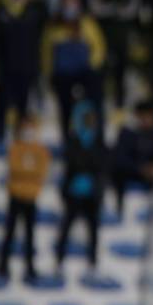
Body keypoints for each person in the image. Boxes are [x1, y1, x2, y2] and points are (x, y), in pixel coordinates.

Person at [41, 0, 106, 142]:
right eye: (66, 2)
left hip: (85, 72)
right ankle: (67, 141)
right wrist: (49, 72)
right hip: (63, 74)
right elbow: (46, 52)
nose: (70, 5)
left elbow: (99, 47)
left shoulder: (87, 23)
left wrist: (91, 66)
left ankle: (96, 138)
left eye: (73, 1)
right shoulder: (53, 26)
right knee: (65, 108)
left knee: (93, 105)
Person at [55, 100, 107, 275]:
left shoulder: (99, 142)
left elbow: (100, 165)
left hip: (92, 194)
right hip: (74, 193)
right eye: (87, 119)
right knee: (66, 227)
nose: (90, 122)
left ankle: (92, 262)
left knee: (93, 230)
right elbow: (73, 163)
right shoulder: (73, 140)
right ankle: (59, 260)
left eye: (92, 119)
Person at [0, 115, 51, 281]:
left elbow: (40, 172)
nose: (28, 131)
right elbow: (15, 169)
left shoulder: (40, 150)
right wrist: (28, 174)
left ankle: (29, 266)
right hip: (15, 196)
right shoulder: (15, 148)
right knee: (10, 232)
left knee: (30, 234)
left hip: (31, 197)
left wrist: (26, 175)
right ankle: (3, 264)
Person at [0, 0, 47, 141]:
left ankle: (21, 140)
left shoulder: (34, 12)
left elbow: (40, 41)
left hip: (27, 69)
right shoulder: (1, 12)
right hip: (6, 70)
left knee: (24, 108)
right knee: (1, 107)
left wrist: (37, 67)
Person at [112, 100, 153, 217]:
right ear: (138, 116)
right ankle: (120, 209)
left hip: (150, 179)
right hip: (128, 177)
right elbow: (120, 159)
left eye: (151, 116)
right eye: (145, 116)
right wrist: (141, 168)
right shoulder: (126, 133)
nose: (148, 120)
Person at [88, 0, 140, 109]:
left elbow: (133, 9)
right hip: (103, 35)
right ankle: (100, 100)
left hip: (122, 35)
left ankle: (120, 101)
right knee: (102, 68)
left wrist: (117, 9)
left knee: (121, 70)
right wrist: (113, 8)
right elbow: (95, 9)